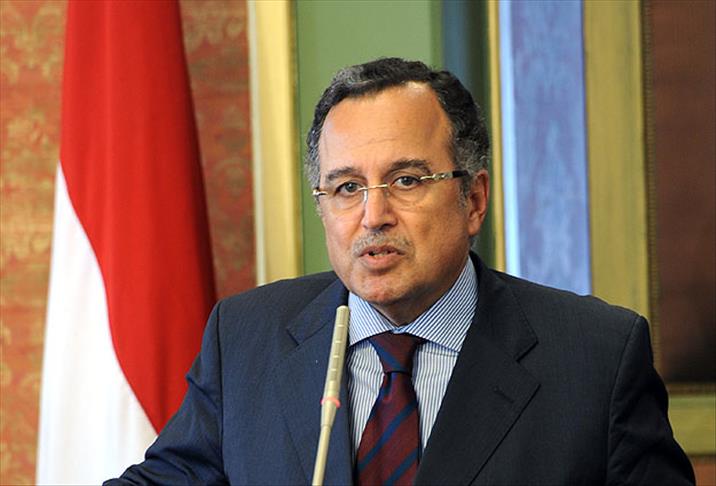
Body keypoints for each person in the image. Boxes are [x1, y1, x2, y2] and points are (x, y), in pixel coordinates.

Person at [108, 58, 694, 485]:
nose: (374, 215)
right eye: (347, 188)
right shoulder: (245, 339)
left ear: (473, 200)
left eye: (406, 181)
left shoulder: (596, 359)